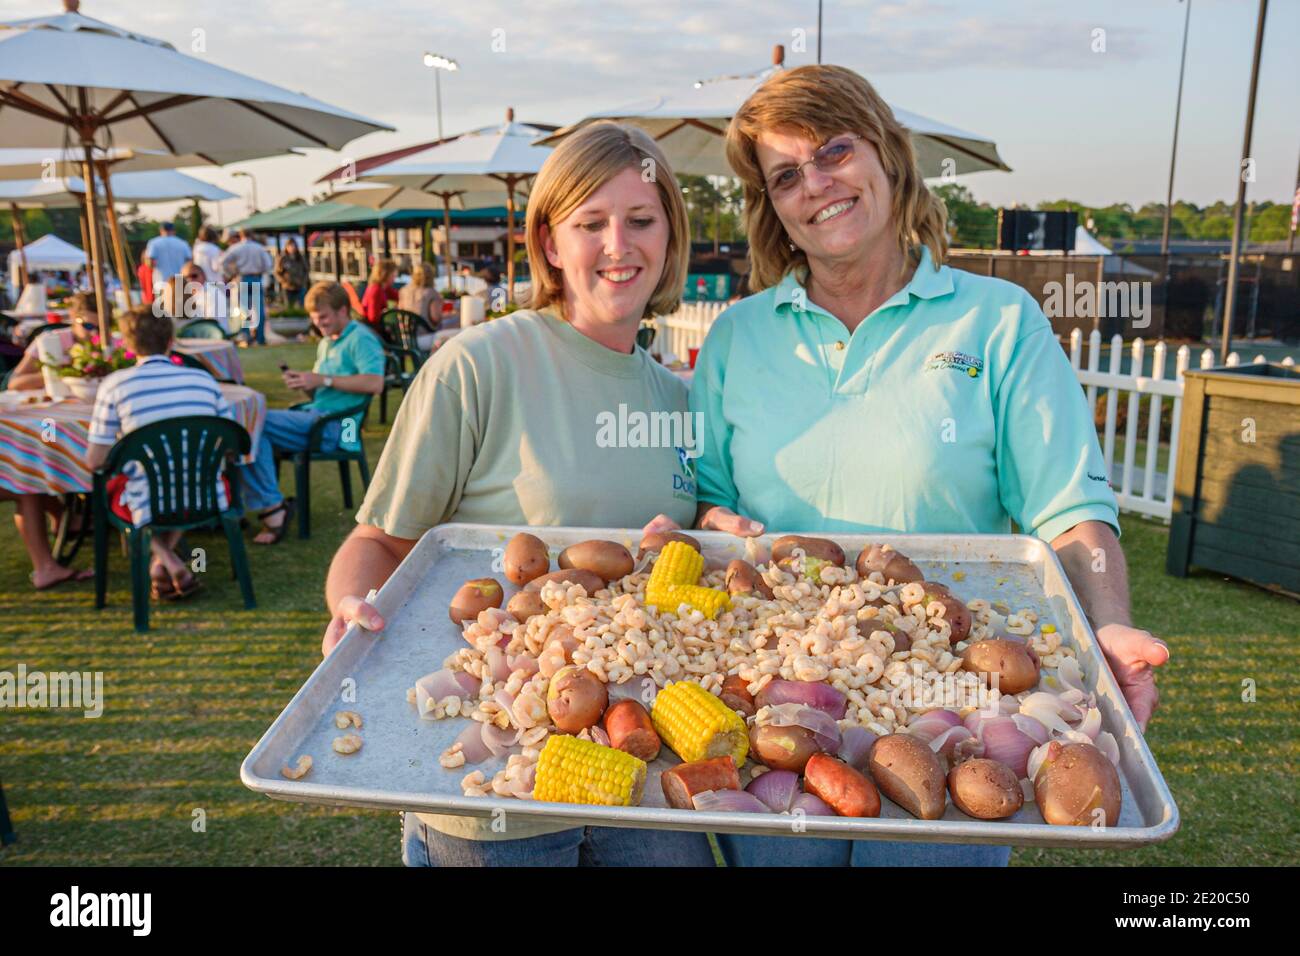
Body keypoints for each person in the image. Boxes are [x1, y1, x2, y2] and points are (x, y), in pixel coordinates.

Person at [668, 64, 1170, 868]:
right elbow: (707, 500)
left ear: (889, 158)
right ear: (773, 207)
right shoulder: (735, 338)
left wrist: (1104, 623)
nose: (816, 185)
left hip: (954, 699)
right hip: (784, 706)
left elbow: (1071, 507)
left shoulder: (999, 320)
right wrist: (711, 523)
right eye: (787, 175)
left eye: (834, 152)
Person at [320, 122, 712, 868]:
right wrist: (351, 607)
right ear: (549, 241)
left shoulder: (677, 397)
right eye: (590, 223)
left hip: (651, 772)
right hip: (492, 780)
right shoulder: (477, 366)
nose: (619, 246)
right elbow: (377, 540)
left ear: (671, 235)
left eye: (641, 220)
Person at [85, 306, 235, 599]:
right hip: (205, 495)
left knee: (121, 487)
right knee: (180, 483)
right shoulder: (203, 381)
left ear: (128, 345)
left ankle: (165, 560)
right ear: (171, 341)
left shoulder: (115, 385)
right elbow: (229, 446)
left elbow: (95, 461)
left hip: (149, 500)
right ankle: (165, 561)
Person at [237, 281, 385, 545]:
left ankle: (268, 509)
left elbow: (375, 383)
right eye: (315, 319)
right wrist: (306, 384)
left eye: (324, 317)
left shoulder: (361, 339)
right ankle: (266, 507)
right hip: (318, 415)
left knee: (254, 420)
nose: (320, 324)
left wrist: (323, 380)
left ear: (343, 311)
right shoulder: (328, 341)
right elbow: (321, 389)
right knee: (253, 431)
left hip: (339, 428)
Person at [3, 290, 99, 391]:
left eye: (101, 327)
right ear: (73, 316)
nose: (94, 333)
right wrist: (59, 374)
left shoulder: (110, 343)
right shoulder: (49, 339)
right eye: (88, 326)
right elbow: (14, 383)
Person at [218, 229, 275, 345]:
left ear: (240, 235)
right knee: (258, 310)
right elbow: (268, 265)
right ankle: (260, 338)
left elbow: (222, 261)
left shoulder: (236, 248)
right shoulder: (259, 248)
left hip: (242, 278)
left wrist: (230, 273)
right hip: (256, 278)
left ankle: (246, 336)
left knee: (244, 310)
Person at [395, 260, 446, 349]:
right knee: (456, 332)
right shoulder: (431, 293)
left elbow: (400, 312)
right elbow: (436, 318)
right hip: (422, 339)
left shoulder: (403, 290)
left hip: (403, 338)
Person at [142, 221, 192, 298]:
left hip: (160, 281)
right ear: (173, 231)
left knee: (162, 308)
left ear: (161, 230)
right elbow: (190, 262)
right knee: (180, 307)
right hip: (180, 281)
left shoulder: (153, 243)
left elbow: (149, 262)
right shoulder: (182, 243)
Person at [359, 259, 398, 327]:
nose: (395, 279)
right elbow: (373, 318)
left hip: (377, 327)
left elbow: (399, 296)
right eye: (393, 275)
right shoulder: (376, 290)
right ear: (386, 274)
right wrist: (388, 312)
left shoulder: (384, 287)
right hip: (374, 331)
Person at [274, 238, 309, 309]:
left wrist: (303, 281)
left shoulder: (300, 258)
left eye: (294, 246)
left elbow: (306, 270)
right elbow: (277, 273)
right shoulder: (282, 258)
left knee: (301, 307)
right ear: (286, 247)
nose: (292, 248)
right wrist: (284, 281)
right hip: (287, 287)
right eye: (290, 246)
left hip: (300, 286)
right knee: (289, 307)